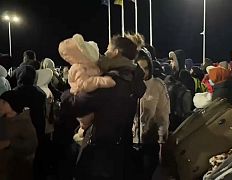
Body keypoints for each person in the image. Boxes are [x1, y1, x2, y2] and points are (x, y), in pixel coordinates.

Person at [61, 35, 146, 180]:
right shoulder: (133, 79)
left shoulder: (111, 82)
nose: (104, 54)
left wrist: (69, 92)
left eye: (108, 49)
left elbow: (73, 106)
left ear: (116, 52)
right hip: (120, 153)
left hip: (99, 158)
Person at [133, 48, 170, 180]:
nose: (143, 71)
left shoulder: (157, 85)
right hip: (129, 143)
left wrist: (162, 143)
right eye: (139, 68)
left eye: (146, 68)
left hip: (149, 142)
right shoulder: (127, 85)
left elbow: (163, 117)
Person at [0, 90, 38, 180]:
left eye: (4, 102)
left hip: (16, 171)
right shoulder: (2, 119)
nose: (0, 104)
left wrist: (10, 143)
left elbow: (32, 145)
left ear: (13, 104)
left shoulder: (23, 122)